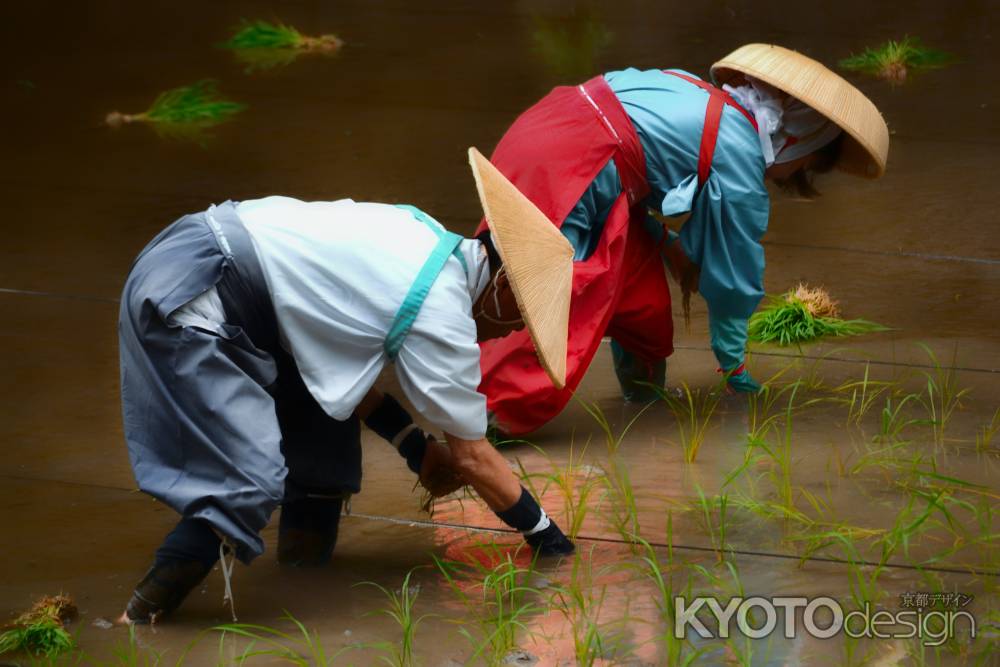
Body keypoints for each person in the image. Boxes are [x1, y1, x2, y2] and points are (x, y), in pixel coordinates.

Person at [115, 149, 576, 623]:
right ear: (501, 285)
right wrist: (550, 541)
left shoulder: (419, 232)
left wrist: (415, 449)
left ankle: (303, 579)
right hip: (193, 296)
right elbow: (473, 456)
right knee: (247, 479)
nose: (509, 333)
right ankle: (136, 621)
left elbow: (334, 379)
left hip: (194, 258)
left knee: (323, 429)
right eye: (519, 319)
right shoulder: (441, 305)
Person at [475, 43, 890, 435]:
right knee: (543, 302)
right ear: (796, 138)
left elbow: (628, 174)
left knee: (644, 301)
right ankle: (479, 430)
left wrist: (671, 248)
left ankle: (642, 403)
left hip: (547, 134)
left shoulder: (693, 89)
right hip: (567, 171)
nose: (796, 175)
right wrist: (733, 365)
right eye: (810, 163)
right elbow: (734, 275)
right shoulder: (740, 152)